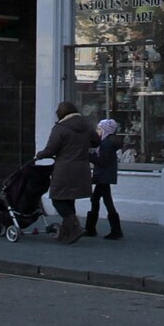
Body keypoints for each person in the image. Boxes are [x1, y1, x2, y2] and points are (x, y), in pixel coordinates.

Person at [39, 99, 97, 245]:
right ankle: (67, 233)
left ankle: (75, 226)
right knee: (69, 199)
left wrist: (40, 155)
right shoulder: (86, 125)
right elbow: (97, 142)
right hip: (82, 168)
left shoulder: (60, 128)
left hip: (64, 168)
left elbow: (51, 149)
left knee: (57, 199)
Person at [85, 117, 123, 239]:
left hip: (103, 175)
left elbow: (103, 161)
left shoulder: (106, 144)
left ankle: (94, 228)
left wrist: (90, 156)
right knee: (102, 199)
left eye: (99, 128)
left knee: (100, 200)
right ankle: (93, 228)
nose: (97, 131)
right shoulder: (108, 142)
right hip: (104, 175)